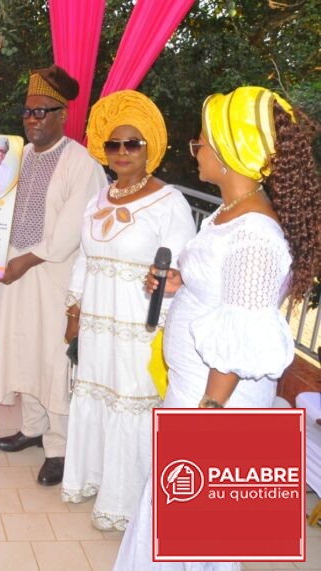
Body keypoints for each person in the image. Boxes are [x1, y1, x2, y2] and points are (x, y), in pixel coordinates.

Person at [114, 86, 321, 569]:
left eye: (202, 142)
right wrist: (180, 281)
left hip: (217, 398)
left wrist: (208, 413)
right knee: (179, 520)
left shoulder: (255, 238)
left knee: (198, 529)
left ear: (229, 153)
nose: (197, 150)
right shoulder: (229, 212)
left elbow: (242, 337)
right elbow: (222, 289)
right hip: (198, 388)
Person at [60, 90, 196, 531]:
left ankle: (127, 504)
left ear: (149, 147)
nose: (122, 152)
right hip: (97, 324)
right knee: (95, 397)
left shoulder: (168, 202)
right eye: (113, 144)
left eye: (132, 143)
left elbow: (181, 273)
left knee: (131, 405)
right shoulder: (100, 197)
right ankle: (94, 480)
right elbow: (84, 258)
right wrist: (74, 312)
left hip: (140, 327)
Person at [0, 64, 107, 486]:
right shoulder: (16, 157)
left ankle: (59, 447)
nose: (32, 120)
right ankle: (32, 428)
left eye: (41, 112)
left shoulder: (81, 163)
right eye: (27, 112)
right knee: (23, 349)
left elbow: (71, 231)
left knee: (54, 358)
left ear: (62, 115)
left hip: (52, 275)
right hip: (11, 273)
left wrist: (23, 262)